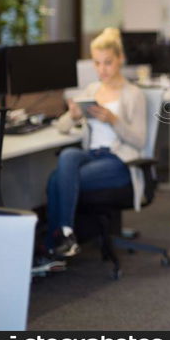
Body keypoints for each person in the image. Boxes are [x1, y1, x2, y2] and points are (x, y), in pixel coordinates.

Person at [46, 27, 146, 258]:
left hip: (118, 161)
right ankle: (66, 234)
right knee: (68, 156)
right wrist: (72, 115)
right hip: (92, 156)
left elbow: (139, 140)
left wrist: (114, 120)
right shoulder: (92, 90)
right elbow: (61, 128)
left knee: (57, 180)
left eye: (108, 63)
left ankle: (57, 241)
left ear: (120, 59)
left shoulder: (133, 94)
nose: (102, 69)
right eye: (97, 63)